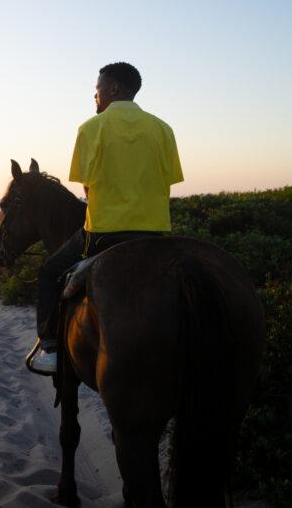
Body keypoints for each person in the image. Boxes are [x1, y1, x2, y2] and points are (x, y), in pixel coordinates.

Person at [33, 62, 183, 373]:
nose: (95, 96)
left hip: (104, 233)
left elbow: (87, 186)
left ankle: (50, 349)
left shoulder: (91, 128)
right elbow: (166, 180)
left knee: (49, 272)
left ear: (114, 89)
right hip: (155, 235)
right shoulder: (163, 129)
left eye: (98, 89)